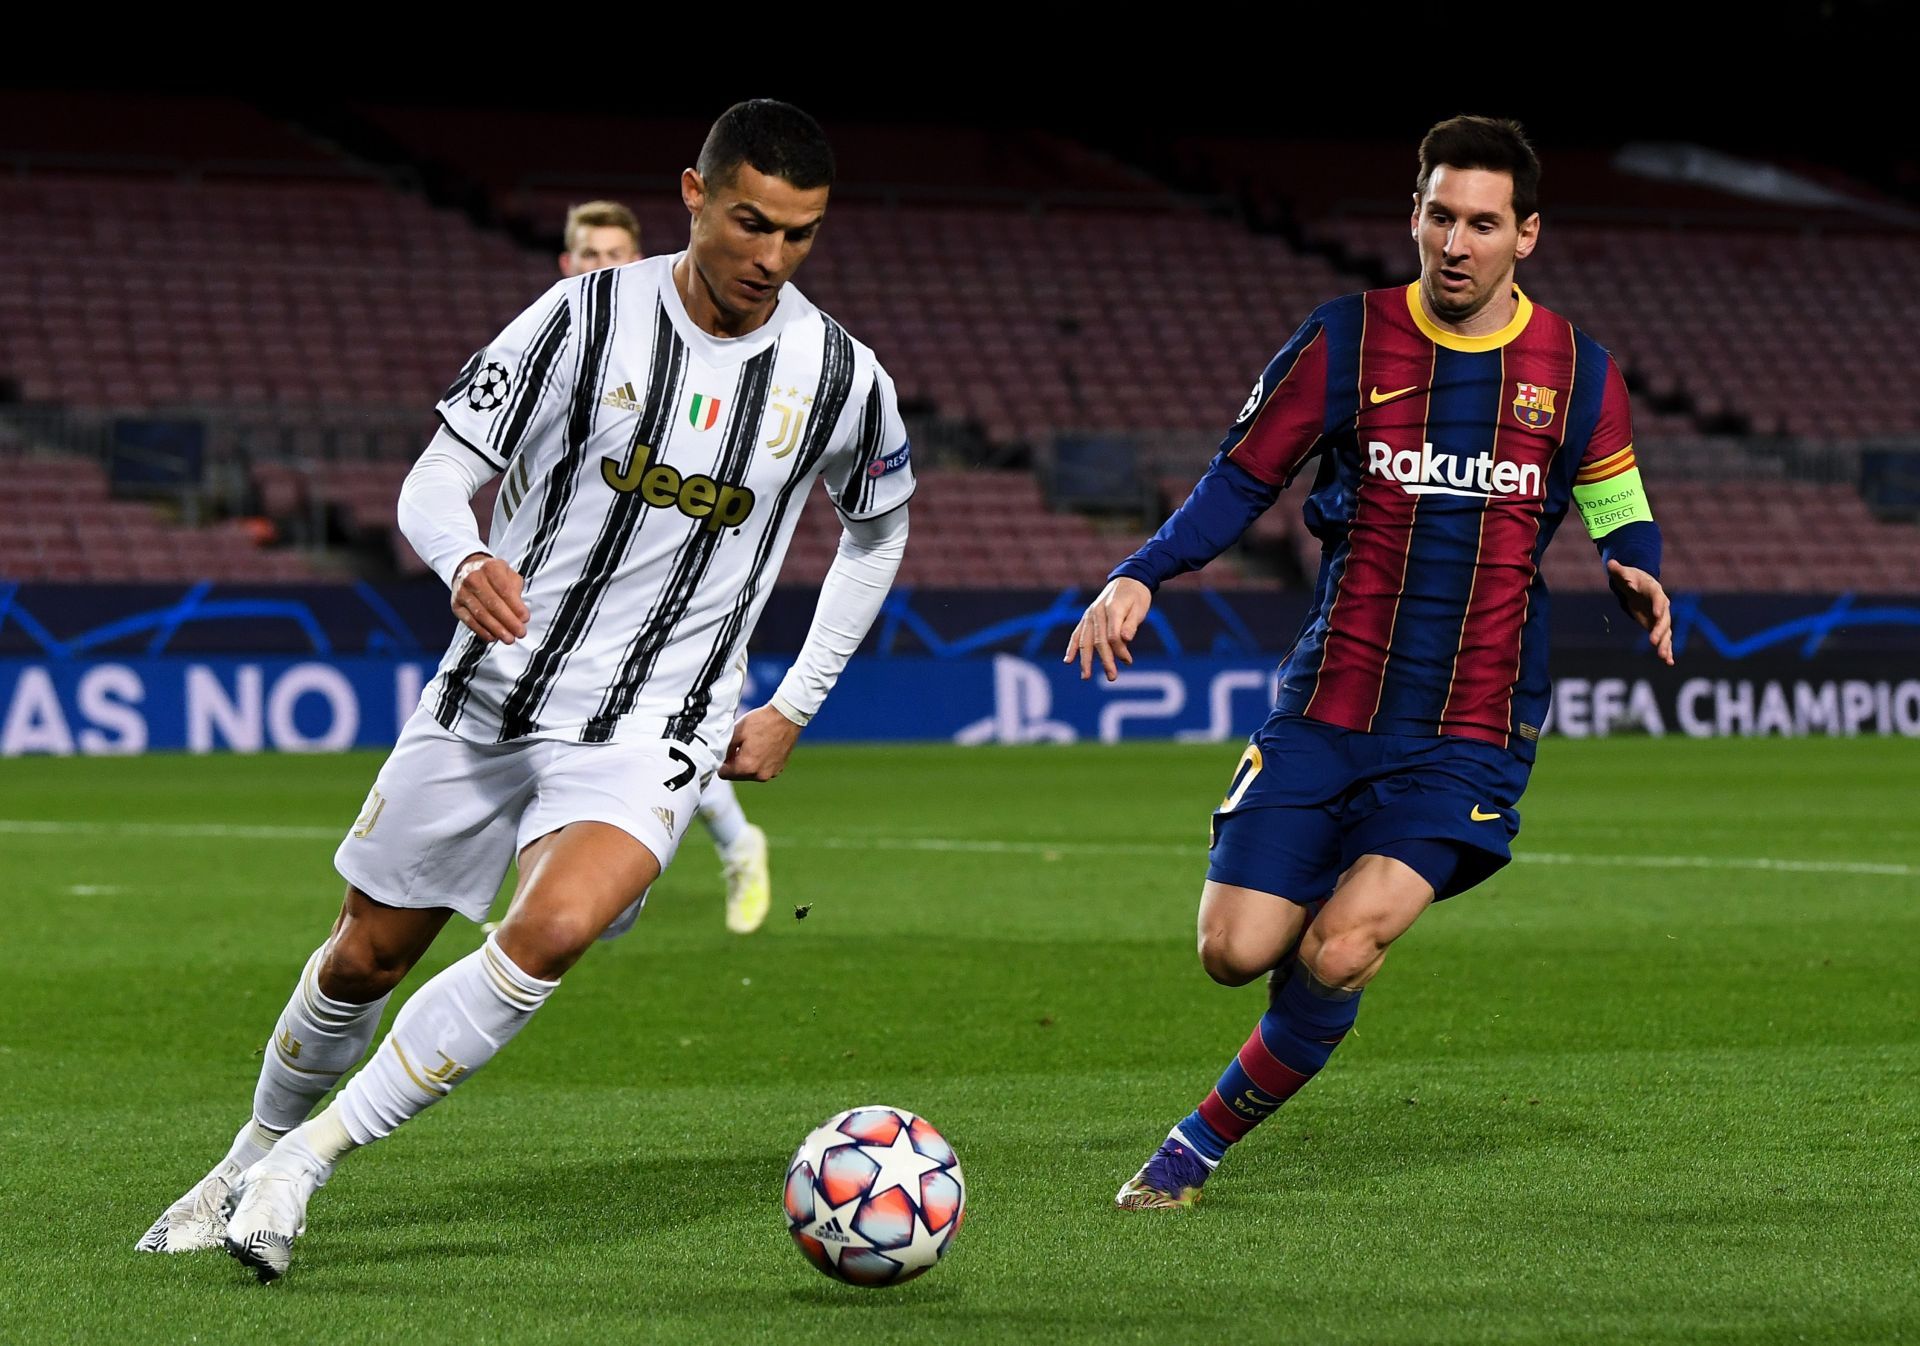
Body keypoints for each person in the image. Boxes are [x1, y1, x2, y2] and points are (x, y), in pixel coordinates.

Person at [136, 99, 915, 1281]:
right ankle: (241, 1156)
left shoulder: (840, 375)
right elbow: (439, 476)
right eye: (751, 222)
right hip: (496, 690)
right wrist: (466, 557)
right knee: (363, 957)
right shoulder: (581, 317)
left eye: (800, 235)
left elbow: (876, 532)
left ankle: (307, 1159)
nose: (771, 257)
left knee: (551, 927)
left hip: (663, 715)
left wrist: (797, 698)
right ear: (694, 196)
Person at [1065, 115, 1674, 1210]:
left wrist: (1637, 563)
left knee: (1341, 947)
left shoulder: (1578, 371)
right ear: (1414, 216)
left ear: (1524, 235)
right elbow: (1241, 477)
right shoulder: (1346, 340)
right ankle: (1305, 972)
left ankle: (1192, 1147)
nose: (1456, 241)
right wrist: (1141, 572)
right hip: (1332, 697)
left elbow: (1616, 494)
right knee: (1232, 947)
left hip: (1472, 723)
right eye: (1440, 215)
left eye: (1483, 223)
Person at [555, 196, 774, 934]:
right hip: (572, 594)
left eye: (617, 255)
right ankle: (559, 901)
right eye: (590, 256)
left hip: (668, 595)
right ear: (567, 265)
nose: (602, 268)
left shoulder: (684, 350)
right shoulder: (559, 343)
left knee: (658, 739)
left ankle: (734, 849)